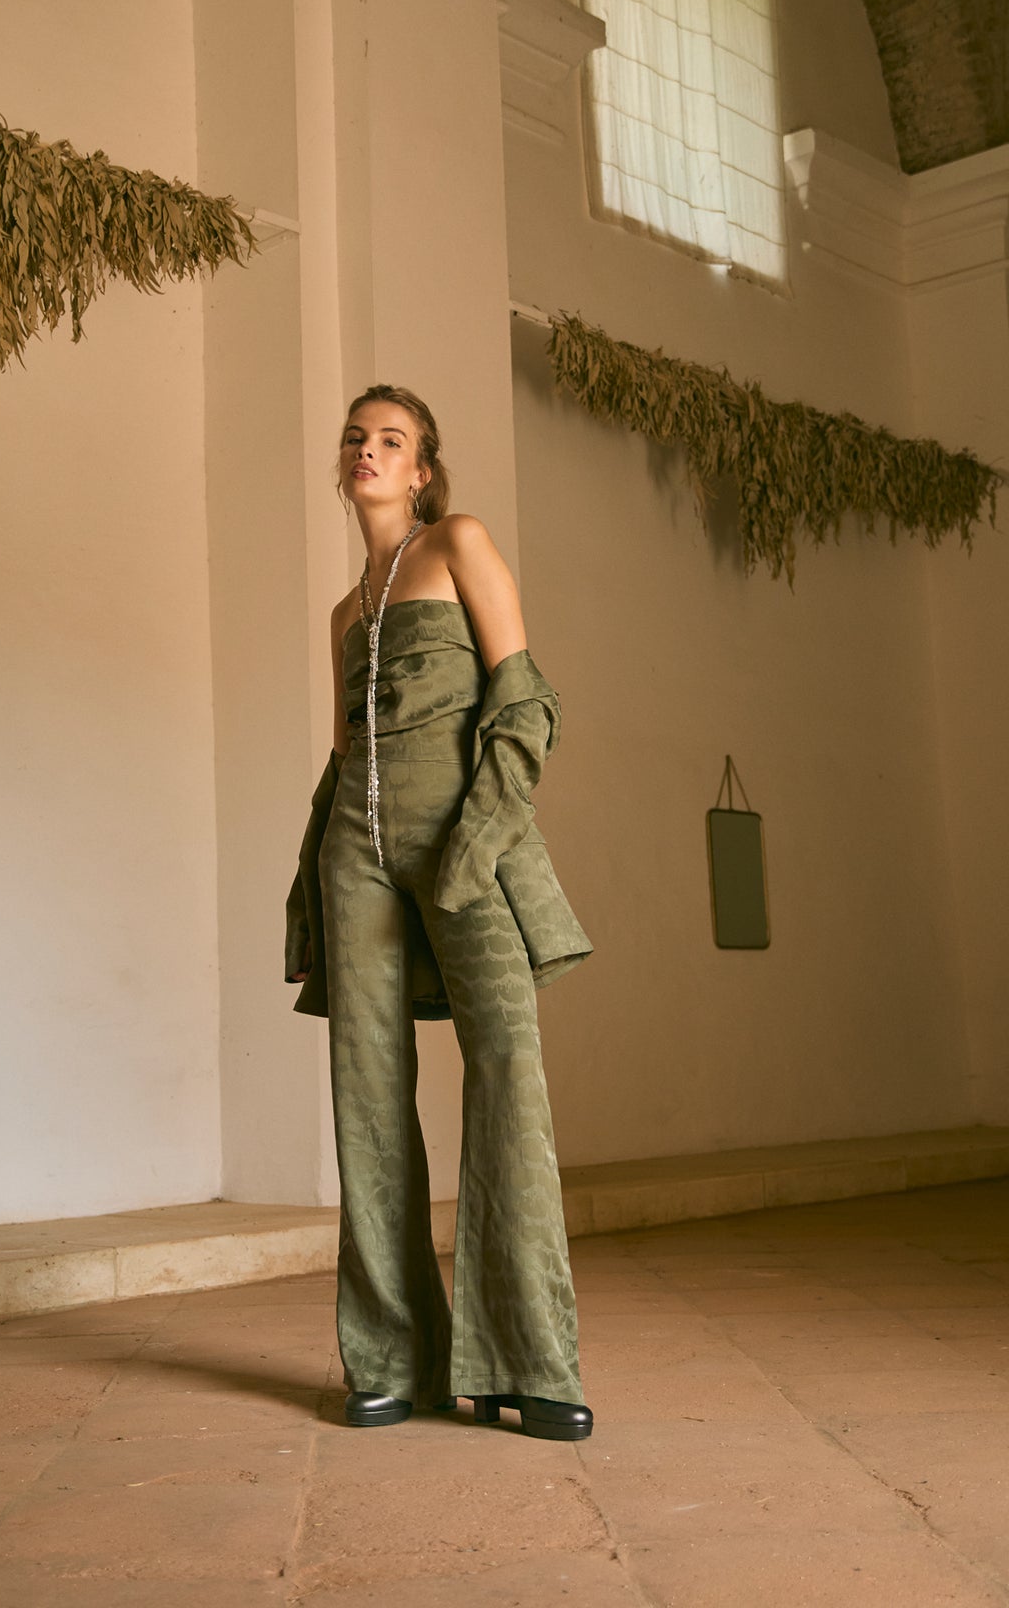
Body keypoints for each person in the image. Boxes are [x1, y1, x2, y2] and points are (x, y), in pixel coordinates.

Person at [285, 383, 594, 1441]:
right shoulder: (343, 614)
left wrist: (475, 844)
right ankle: (391, 1361)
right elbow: (344, 760)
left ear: (422, 469)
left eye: (391, 440)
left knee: (507, 1070)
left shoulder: (459, 542)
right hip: (356, 858)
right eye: (355, 439)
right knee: (367, 1099)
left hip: (465, 843)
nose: (366, 452)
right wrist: (315, 884)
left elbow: (525, 702)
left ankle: (530, 1363)